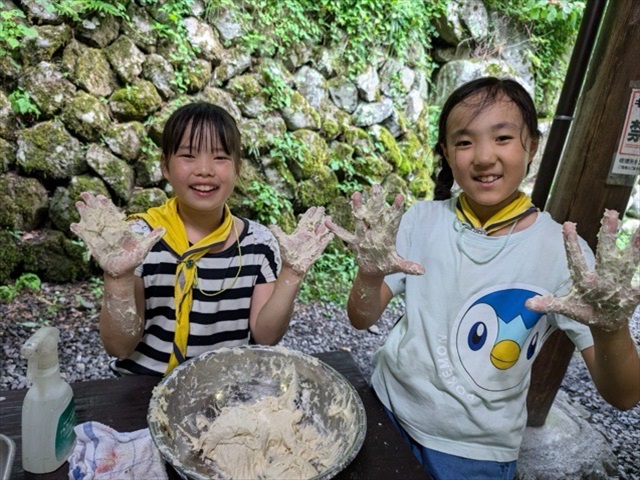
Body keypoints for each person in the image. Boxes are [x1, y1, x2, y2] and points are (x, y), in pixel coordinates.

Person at [327, 77, 640, 479]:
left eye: (503, 137)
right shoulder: (420, 221)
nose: (484, 156)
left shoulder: (563, 252)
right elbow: (361, 318)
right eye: (464, 142)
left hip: (478, 452)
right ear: (446, 152)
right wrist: (369, 274)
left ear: (532, 145)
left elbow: (625, 394)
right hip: (388, 408)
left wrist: (613, 329)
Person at [71, 102, 333, 376]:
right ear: (165, 167)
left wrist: (291, 273)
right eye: (188, 155)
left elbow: (266, 337)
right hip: (142, 388)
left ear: (237, 168)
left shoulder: (258, 244)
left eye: (220, 157)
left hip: (224, 389)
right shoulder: (137, 241)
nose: (205, 169)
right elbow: (120, 348)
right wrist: (118, 279)